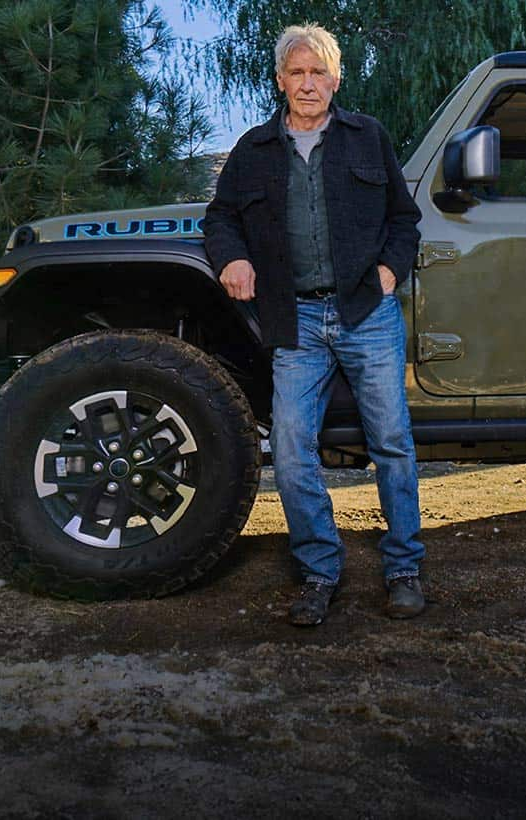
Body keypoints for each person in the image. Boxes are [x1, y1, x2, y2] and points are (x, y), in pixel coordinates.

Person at [202, 24, 424, 627]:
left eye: (318, 72)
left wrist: (386, 274)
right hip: (294, 319)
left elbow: (406, 221)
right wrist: (234, 257)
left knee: (392, 444)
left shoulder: (367, 138)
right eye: (296, 73)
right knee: (294, 450)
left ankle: (404, 568)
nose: (307, 84)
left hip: (366, 313)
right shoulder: (253, 151)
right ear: (280, 80)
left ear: (335, 78)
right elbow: (220, 219)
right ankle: (319, 572)